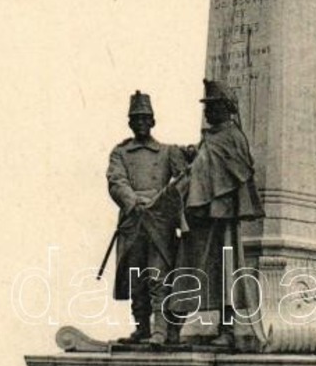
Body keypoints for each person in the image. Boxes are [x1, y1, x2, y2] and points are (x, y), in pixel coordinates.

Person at [177, 79, 264, 348]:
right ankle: (182, 324)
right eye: (206, 107)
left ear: (225, 109)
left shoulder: (233, 138)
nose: (207, 112)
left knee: (227, 270)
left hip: (222, 217)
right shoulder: (211, 138)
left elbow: (235, 172)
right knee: (197, 268)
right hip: (203, 217)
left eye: (212, 106)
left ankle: (228, 329)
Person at [106, 90, 187, 346]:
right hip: (132, 222)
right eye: (136, 119)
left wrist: (163, 199)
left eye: (145, 119)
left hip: (159, 222)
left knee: (158, 276)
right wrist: (133, 201)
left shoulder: (167, 152)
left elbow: (185, 178)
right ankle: (141, 327)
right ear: (130, 123)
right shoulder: (120, 153)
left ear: (153, 121)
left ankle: (160, 331)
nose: (141, 123)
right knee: (135, 276)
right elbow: (116, 180)